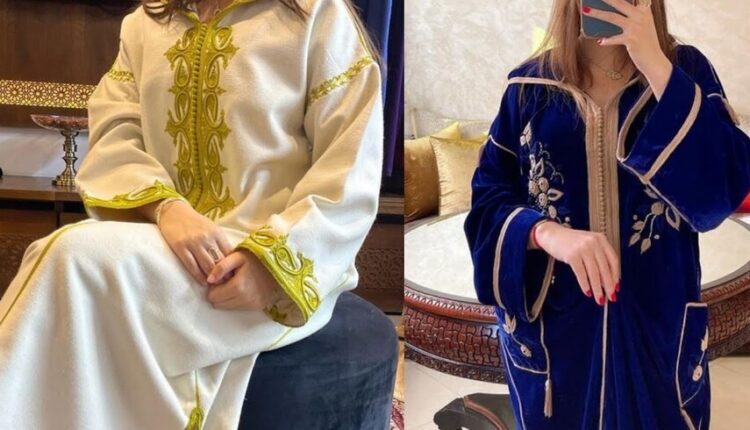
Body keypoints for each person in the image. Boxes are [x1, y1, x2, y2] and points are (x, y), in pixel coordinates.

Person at [0, 0, 383, 428]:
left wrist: (270, 266)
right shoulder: (145, 24)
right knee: (66, 258)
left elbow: (350, 167)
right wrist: (168, 208)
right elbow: (114, 135)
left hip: (265, 261)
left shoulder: (317, 16)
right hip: (166, 245)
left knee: (72, 257)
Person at [464, 0, 750, 428]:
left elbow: (722, 190)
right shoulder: (529, 86)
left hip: (658, 321)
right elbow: (488, 199)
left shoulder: (686, 70)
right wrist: (545, 233)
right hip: (556, 333)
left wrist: (654, 63)